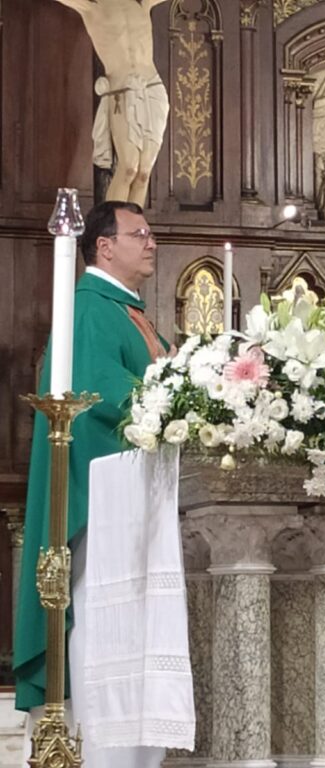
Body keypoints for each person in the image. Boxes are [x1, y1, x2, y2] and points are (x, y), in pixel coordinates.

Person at [14, 201, 169, 766]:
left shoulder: (123, 309)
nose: (151, 242)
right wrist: (179, 404)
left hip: (134, 502)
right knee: (102, 621)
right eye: (139, 233)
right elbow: (99, 391)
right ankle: (97, 750)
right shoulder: (89, 309)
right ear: (104, 246)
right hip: (102, 506)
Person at [56, 0, 170, 206]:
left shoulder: (142, 4)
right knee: (128, 168)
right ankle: (112, 223)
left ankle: (133, 224)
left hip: (152, 87)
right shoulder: (92, 8)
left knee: (144, 173)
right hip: (122, 89)